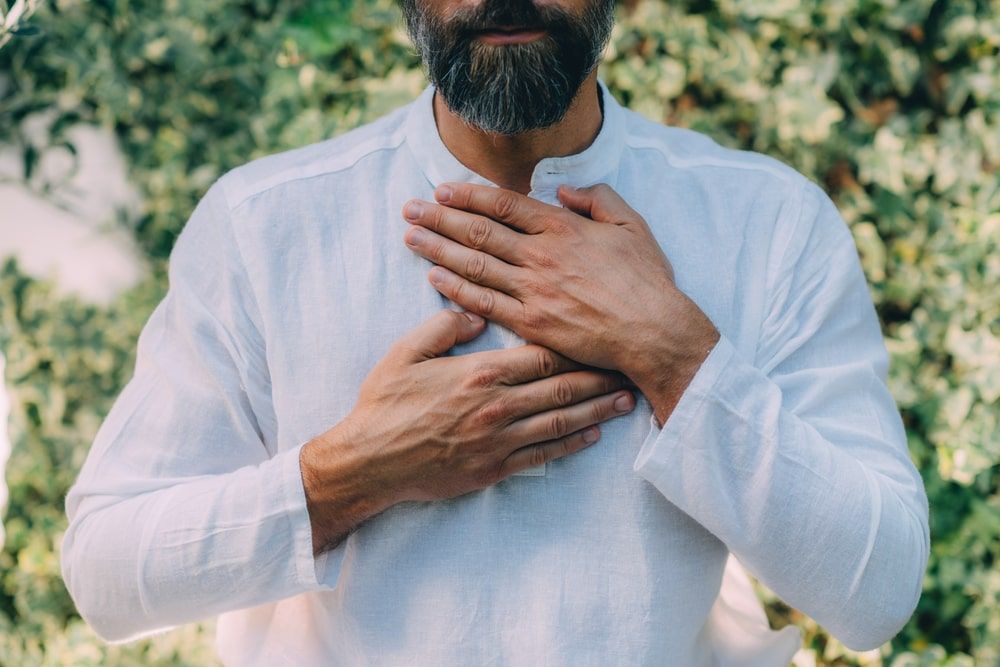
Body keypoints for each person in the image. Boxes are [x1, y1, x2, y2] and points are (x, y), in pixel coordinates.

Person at [60, 0, 930, 664]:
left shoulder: (767, 224)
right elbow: (105, 572)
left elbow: (876, 589)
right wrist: (353, 474)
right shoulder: (263, 226)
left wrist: (674, 351)